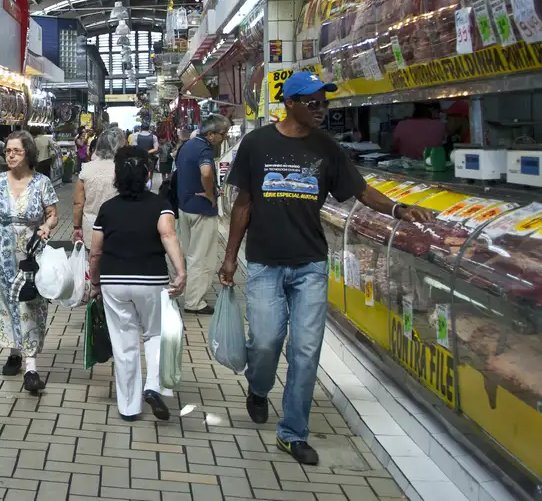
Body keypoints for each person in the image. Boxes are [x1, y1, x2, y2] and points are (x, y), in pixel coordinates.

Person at [221, 71, 433, 466]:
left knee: (304, 349)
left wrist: (399, 209)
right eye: (313, 102)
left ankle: (293, 432)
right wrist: (230, 257)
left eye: (324, 102)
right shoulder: (257, 144)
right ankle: (258, 386)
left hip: (310, 264)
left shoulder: (327, 148)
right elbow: (243, 204)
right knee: (266, 342)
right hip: (266, 261)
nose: (321, 109)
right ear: (290, 103)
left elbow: (361, 190)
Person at [88, 146, 186, 422]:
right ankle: (153, 386)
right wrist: (180, 272)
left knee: (124, 342)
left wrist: (94, 282)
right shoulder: (160, 205)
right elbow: (168, 235)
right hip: (152, 279)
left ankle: (129, 407)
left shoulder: (107, 209)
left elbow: (96, 251)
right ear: (147, 173)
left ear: (117, 176)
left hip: (114, 281)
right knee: (155, 334)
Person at [0, 131, 58, 393]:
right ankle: (14, 352)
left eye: (16, 151)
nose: (10, 155)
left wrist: (46, 226)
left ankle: (31, 367)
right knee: (5, 303)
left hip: (31, 255)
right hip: (2, 254)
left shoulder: (41, 182)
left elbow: (52, 213)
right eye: (8, 151)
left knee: (30, 304)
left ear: (28, 153)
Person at [175, 114, 231, 315]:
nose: (224, 138)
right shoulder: (204, 149)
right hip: (202, 210)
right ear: (210, 134)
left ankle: (187, 292)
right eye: (222, 134)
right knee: (202, 257)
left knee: (189, 253)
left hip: (185, 206)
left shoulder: (187, 146)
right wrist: (210, 194)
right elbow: (206, 172)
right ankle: (194, 302)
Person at [72, 128, 121, 248]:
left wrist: (77, 227)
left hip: (91, 225)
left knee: (93, 261)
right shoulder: (122, 168)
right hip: (118, 225)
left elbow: (79, 203)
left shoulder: (86, 169)